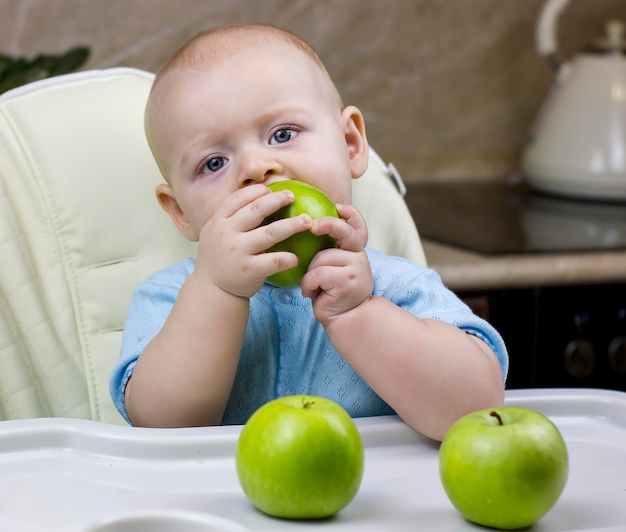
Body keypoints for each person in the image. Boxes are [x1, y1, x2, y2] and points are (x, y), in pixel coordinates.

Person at [109, 23, 508, 441]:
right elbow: (160, 427)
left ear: (351, 144)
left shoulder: (397, 289)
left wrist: (359, 313)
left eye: (282, 135)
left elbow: (477, 411)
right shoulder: (171, 298)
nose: (255, 168)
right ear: (181, 214)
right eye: (213, 163)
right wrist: (217, 291)